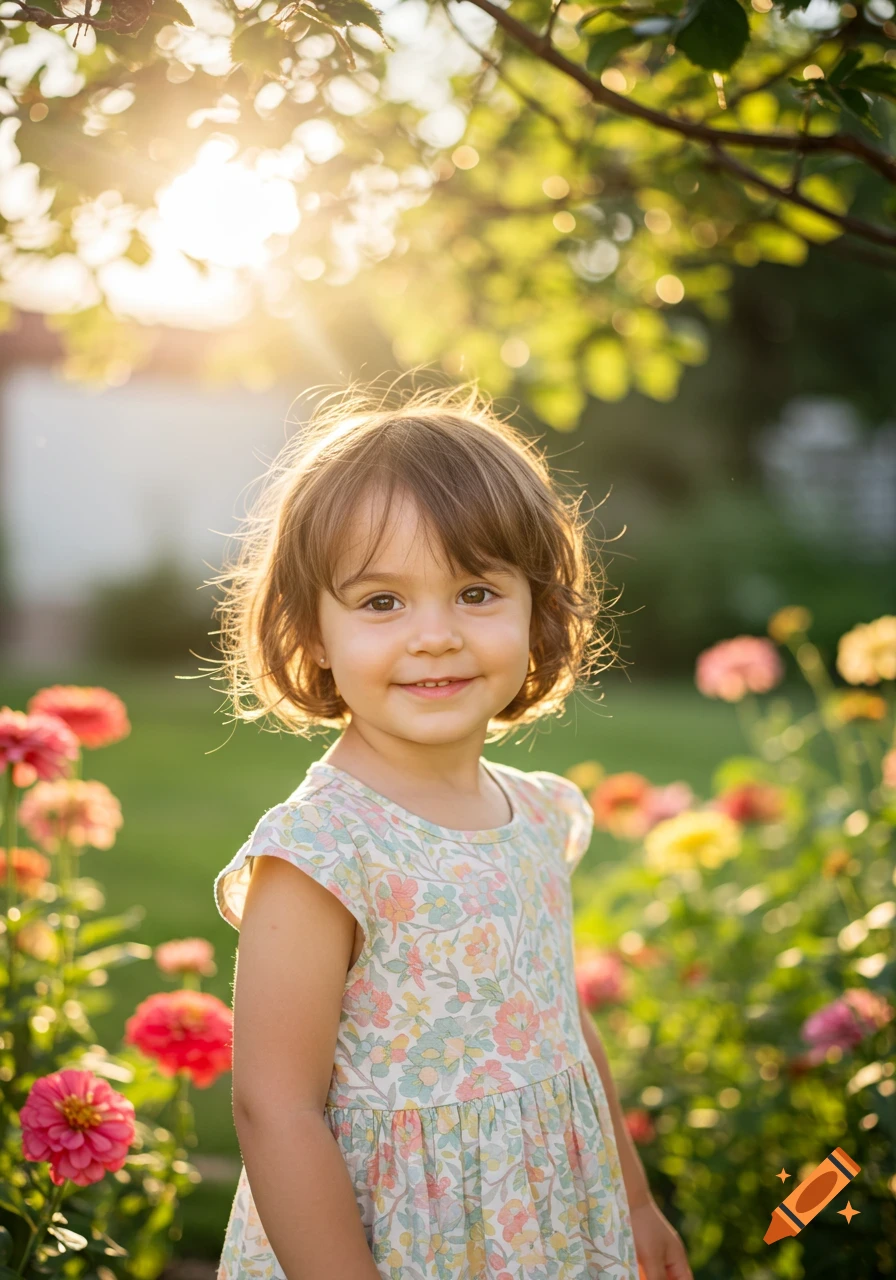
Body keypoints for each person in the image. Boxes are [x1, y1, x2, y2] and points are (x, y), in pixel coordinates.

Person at [209, 380, 693, 1280]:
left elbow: (560, 1025)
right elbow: (275, 1109)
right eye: (382, 602)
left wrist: (631, 1202)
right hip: (391, 1245)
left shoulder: (539, 813)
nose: (434, 636)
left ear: (537, 612)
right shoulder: (322, 853)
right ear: (311, 630)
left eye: (475, 591)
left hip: (546, 1229)